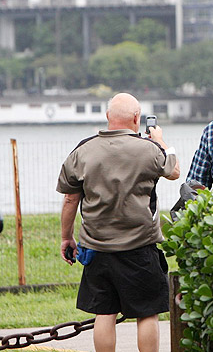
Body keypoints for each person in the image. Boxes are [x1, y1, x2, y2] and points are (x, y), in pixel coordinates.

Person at [57, 93, 180, 352]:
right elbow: (174, 171)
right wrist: (160, 140)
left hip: (97, 247)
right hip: (141, 246)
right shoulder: (149, 149)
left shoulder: (83, 150)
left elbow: (70, 199)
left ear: (107, 117)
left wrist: (66, 237)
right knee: (147, 313)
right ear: (137, 118)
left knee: (104, 312)